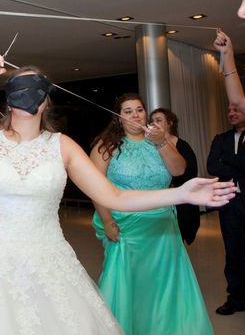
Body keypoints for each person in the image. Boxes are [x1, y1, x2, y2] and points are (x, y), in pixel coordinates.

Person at [0, 55, 235, 335]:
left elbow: (115, 197)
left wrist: (181, 194)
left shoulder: (62, 146)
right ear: (8, 97)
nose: (29, 93)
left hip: (49, 259)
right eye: (21, 85)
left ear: (46, 98)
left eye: (37, 86)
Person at [91, 94, 213, 334]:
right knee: (130, 283)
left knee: (164, 284)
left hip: (162, 225)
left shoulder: (161, 140)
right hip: (126, 226)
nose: (135, 115)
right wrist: (107, 220)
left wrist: (161, 142)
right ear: (118, 117)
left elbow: (179, 170)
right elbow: (95, 186)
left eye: (139, 110)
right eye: (128, 111)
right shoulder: (106, 145)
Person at [207, 104, 245, 315]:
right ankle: (236, 298)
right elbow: (212, 167)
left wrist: (228, 159)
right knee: (233, 253)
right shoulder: (220, 139)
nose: (231, 113)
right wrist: (240, 163)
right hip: (230, 202)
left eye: (237, 110)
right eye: (229, 110)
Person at [149, 107, 200, 244]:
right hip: (156, 205)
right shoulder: (148, 146)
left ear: (170, 123)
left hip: (180, 205)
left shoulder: (183, 146)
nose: (154, 124)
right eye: (152, 121)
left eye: (158, 120)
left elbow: (190, 176)